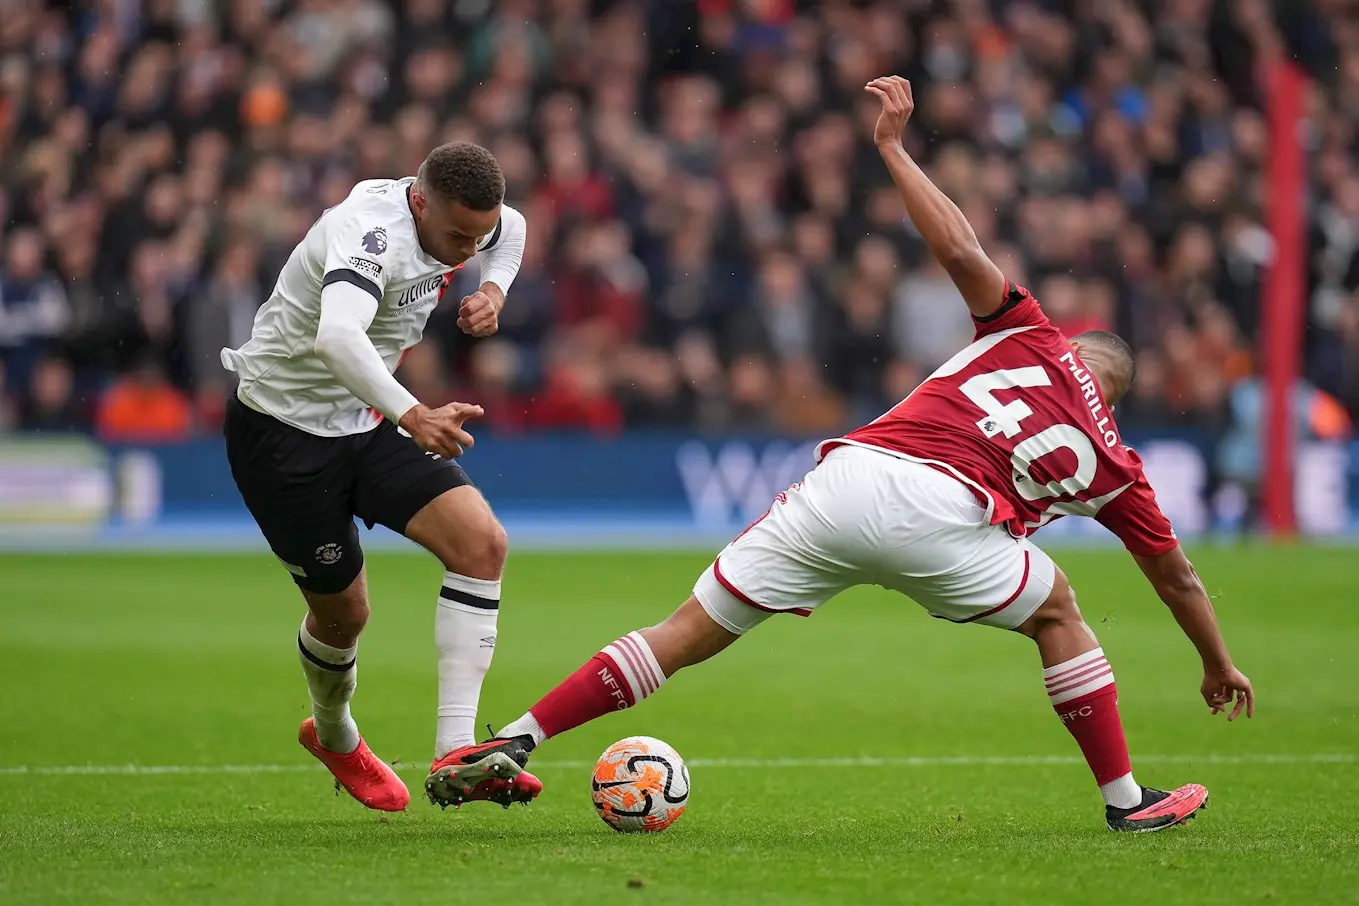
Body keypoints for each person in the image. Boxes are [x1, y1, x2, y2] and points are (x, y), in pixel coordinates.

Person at [439, 80, 1256, 832]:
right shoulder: (1115, 461)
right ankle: (1125, 802)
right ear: (1112, 397)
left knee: (685, 631)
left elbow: (962, 250)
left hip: (849, 480)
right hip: (947, 520)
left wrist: (895, 152)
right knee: (1057, 614)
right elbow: (1175, 575)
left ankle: (516, 736)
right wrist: (1216, 663)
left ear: (1075, 344)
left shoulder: (1030, 333)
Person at [221, 142, 542, 812]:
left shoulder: (472, 224)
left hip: (367, 420)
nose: (465, 249)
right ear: (419, 202)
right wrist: (414, 412)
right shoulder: (368, 233)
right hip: (282, 436)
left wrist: (493, 287)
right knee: (344, 616)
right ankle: (335, 734)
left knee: (482, 544)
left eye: (475, 237)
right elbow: (337, 338)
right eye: (457, 236)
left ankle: (456, 751)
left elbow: (511, 230)